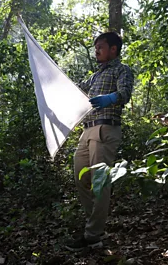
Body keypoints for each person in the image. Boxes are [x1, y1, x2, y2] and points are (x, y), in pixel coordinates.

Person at [65, 32, 134, 252]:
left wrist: (111, 98)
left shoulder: (121, 70)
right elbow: (75, 90)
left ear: (113, 49)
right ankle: (93, 226)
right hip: (87, 131)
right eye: (95, 47)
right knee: (80, 177)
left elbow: (125, 93)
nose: (96, 50)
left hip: (106, 129)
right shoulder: (94, 76)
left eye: (101, 47)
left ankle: (93, 237)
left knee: (99, 184)